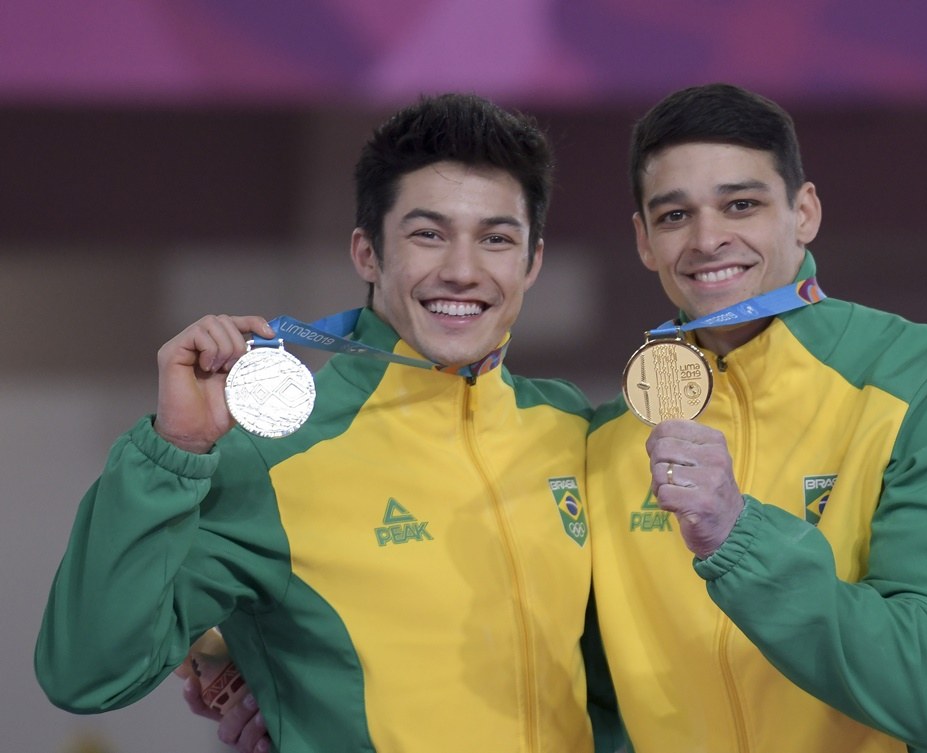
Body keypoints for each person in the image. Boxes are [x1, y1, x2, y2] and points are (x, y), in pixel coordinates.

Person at [35, 93, 620, 753]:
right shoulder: (271, 454)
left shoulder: (572, 429)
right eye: (428, 233)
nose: (462, 269)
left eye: (496, 238)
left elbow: (621, 682)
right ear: (367, 253)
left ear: (532, 262)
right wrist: (175, 452)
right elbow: (86, 672)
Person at [584, 82, 927, 752]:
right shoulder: (608, 440)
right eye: (673, 216)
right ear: (643, 240)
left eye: (741, 204)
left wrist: (737, 535)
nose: (707, 238)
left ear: (803, 212)